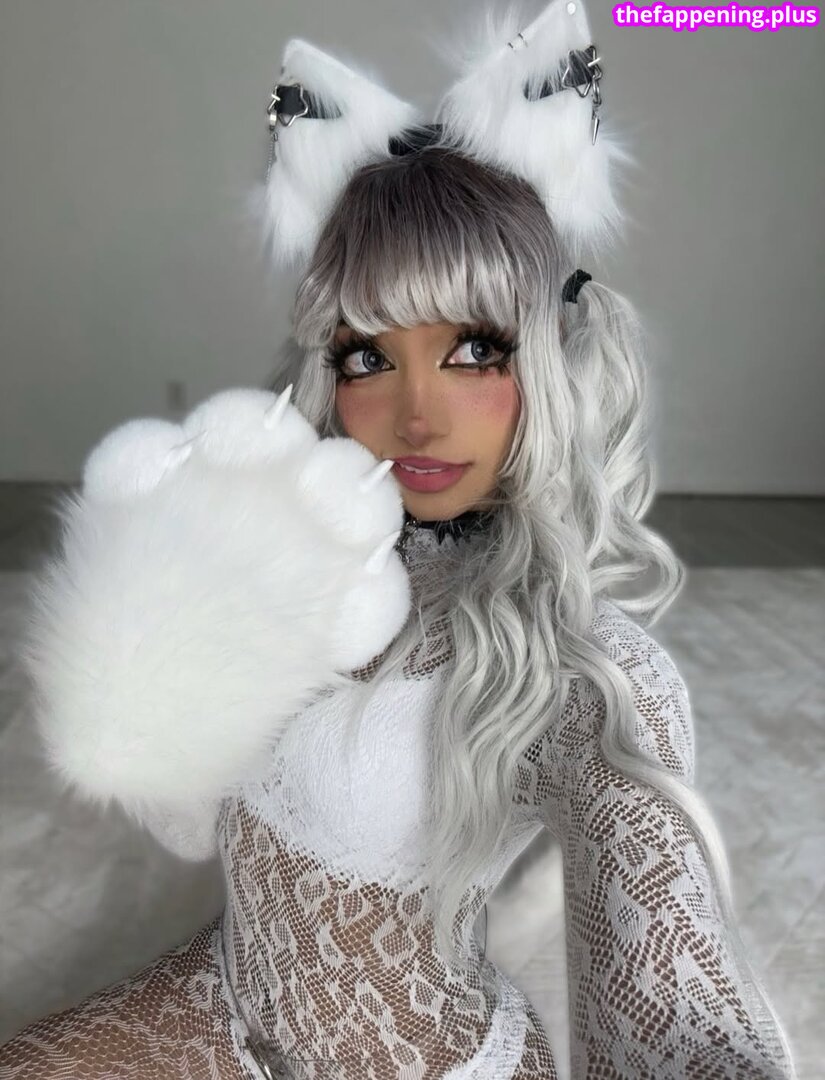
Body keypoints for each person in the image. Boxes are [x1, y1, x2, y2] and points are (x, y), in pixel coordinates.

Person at [0, 1, 797, 1078]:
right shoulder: (299, 549)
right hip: (221, 994)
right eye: (369, 356)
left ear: (552, 360)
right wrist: (149, 655)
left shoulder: (589, 670)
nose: (415, 416)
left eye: (474, 350)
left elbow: (670, 968)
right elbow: (187, 821)